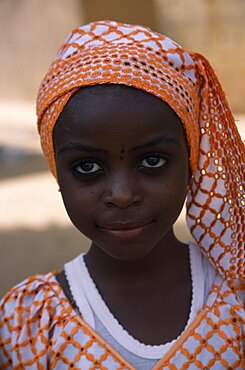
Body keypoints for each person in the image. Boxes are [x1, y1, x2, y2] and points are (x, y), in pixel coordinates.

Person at [0, 20, 244, 369]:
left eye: (152, 160)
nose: (123, 194)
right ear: (57, 171)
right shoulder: (29, 325)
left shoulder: (234, 301)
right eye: (87, 167)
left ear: (191, 162)